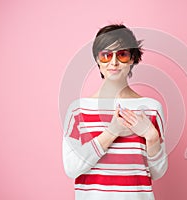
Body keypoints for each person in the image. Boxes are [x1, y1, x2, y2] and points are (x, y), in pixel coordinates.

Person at [62, 24, 168, 200]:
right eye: (106, 55)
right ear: (97, 59)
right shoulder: (78, 110)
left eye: (122, 54)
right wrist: (111, 132)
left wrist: (151, 137)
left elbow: (157, 173)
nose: (114, 62)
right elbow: (72, 168)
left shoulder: (151, 108)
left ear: (133, 58)